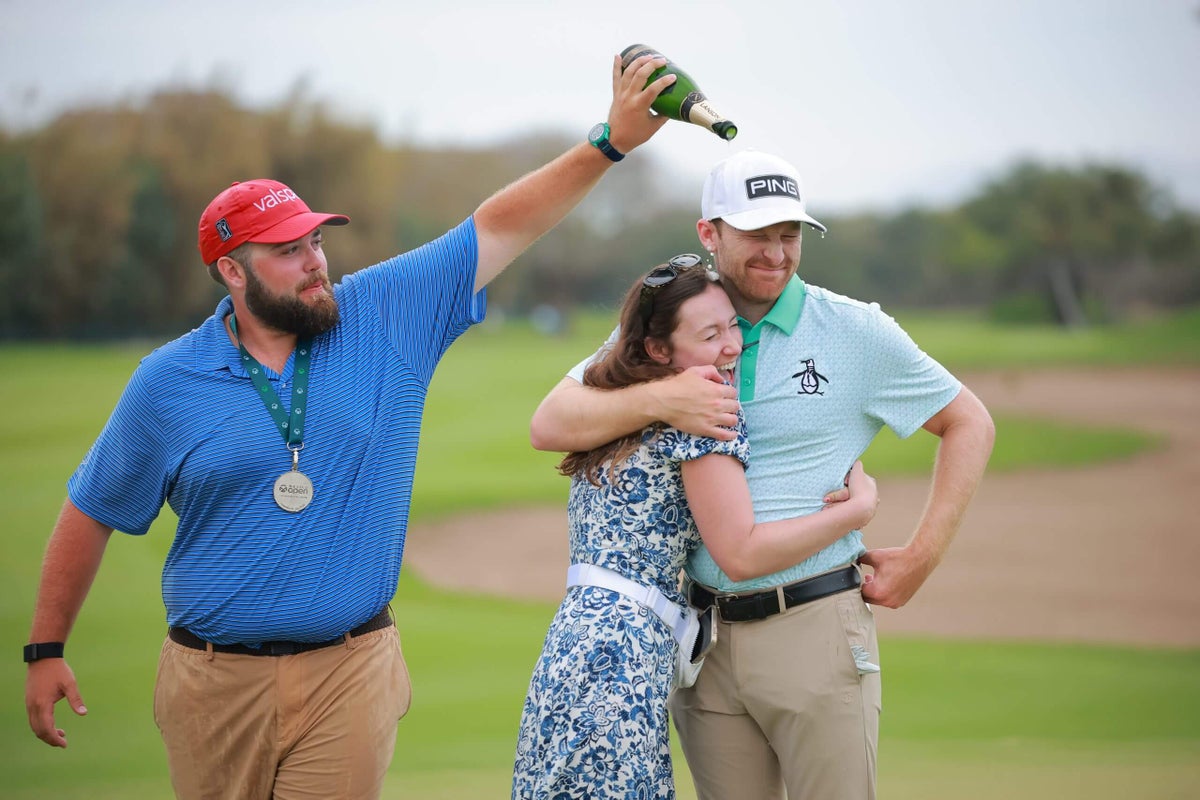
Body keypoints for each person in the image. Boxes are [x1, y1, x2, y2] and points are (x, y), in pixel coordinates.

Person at [22, 52, 678, 800]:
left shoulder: (382, 315)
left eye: (316, 242)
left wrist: (610, 142)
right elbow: (92, 509)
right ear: (232, 273)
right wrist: (46, 647)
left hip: (349, 669)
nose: (314, 263)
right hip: (210, 683)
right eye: (288, 251)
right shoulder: (167, 383)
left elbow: (499, 226)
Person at [529, 150, 996, 800]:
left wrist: (924, 555)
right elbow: (553, 421)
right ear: (709, 234)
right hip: (705, 644)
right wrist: (663, 398)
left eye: (790, 234)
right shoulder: (681, 324)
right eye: (757, 235)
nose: (776, 252)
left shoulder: (854, 329)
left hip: (816, 626)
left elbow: (970, 422)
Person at [512, 256, 880, 799]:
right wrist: (855, 512)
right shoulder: (706, 414)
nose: (733, 344)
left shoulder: (614, 406)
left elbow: (548, 425)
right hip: (625, 655)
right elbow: (743, 553)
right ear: (660, 349)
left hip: (571, 645)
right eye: (711, 334)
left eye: (733, 325)